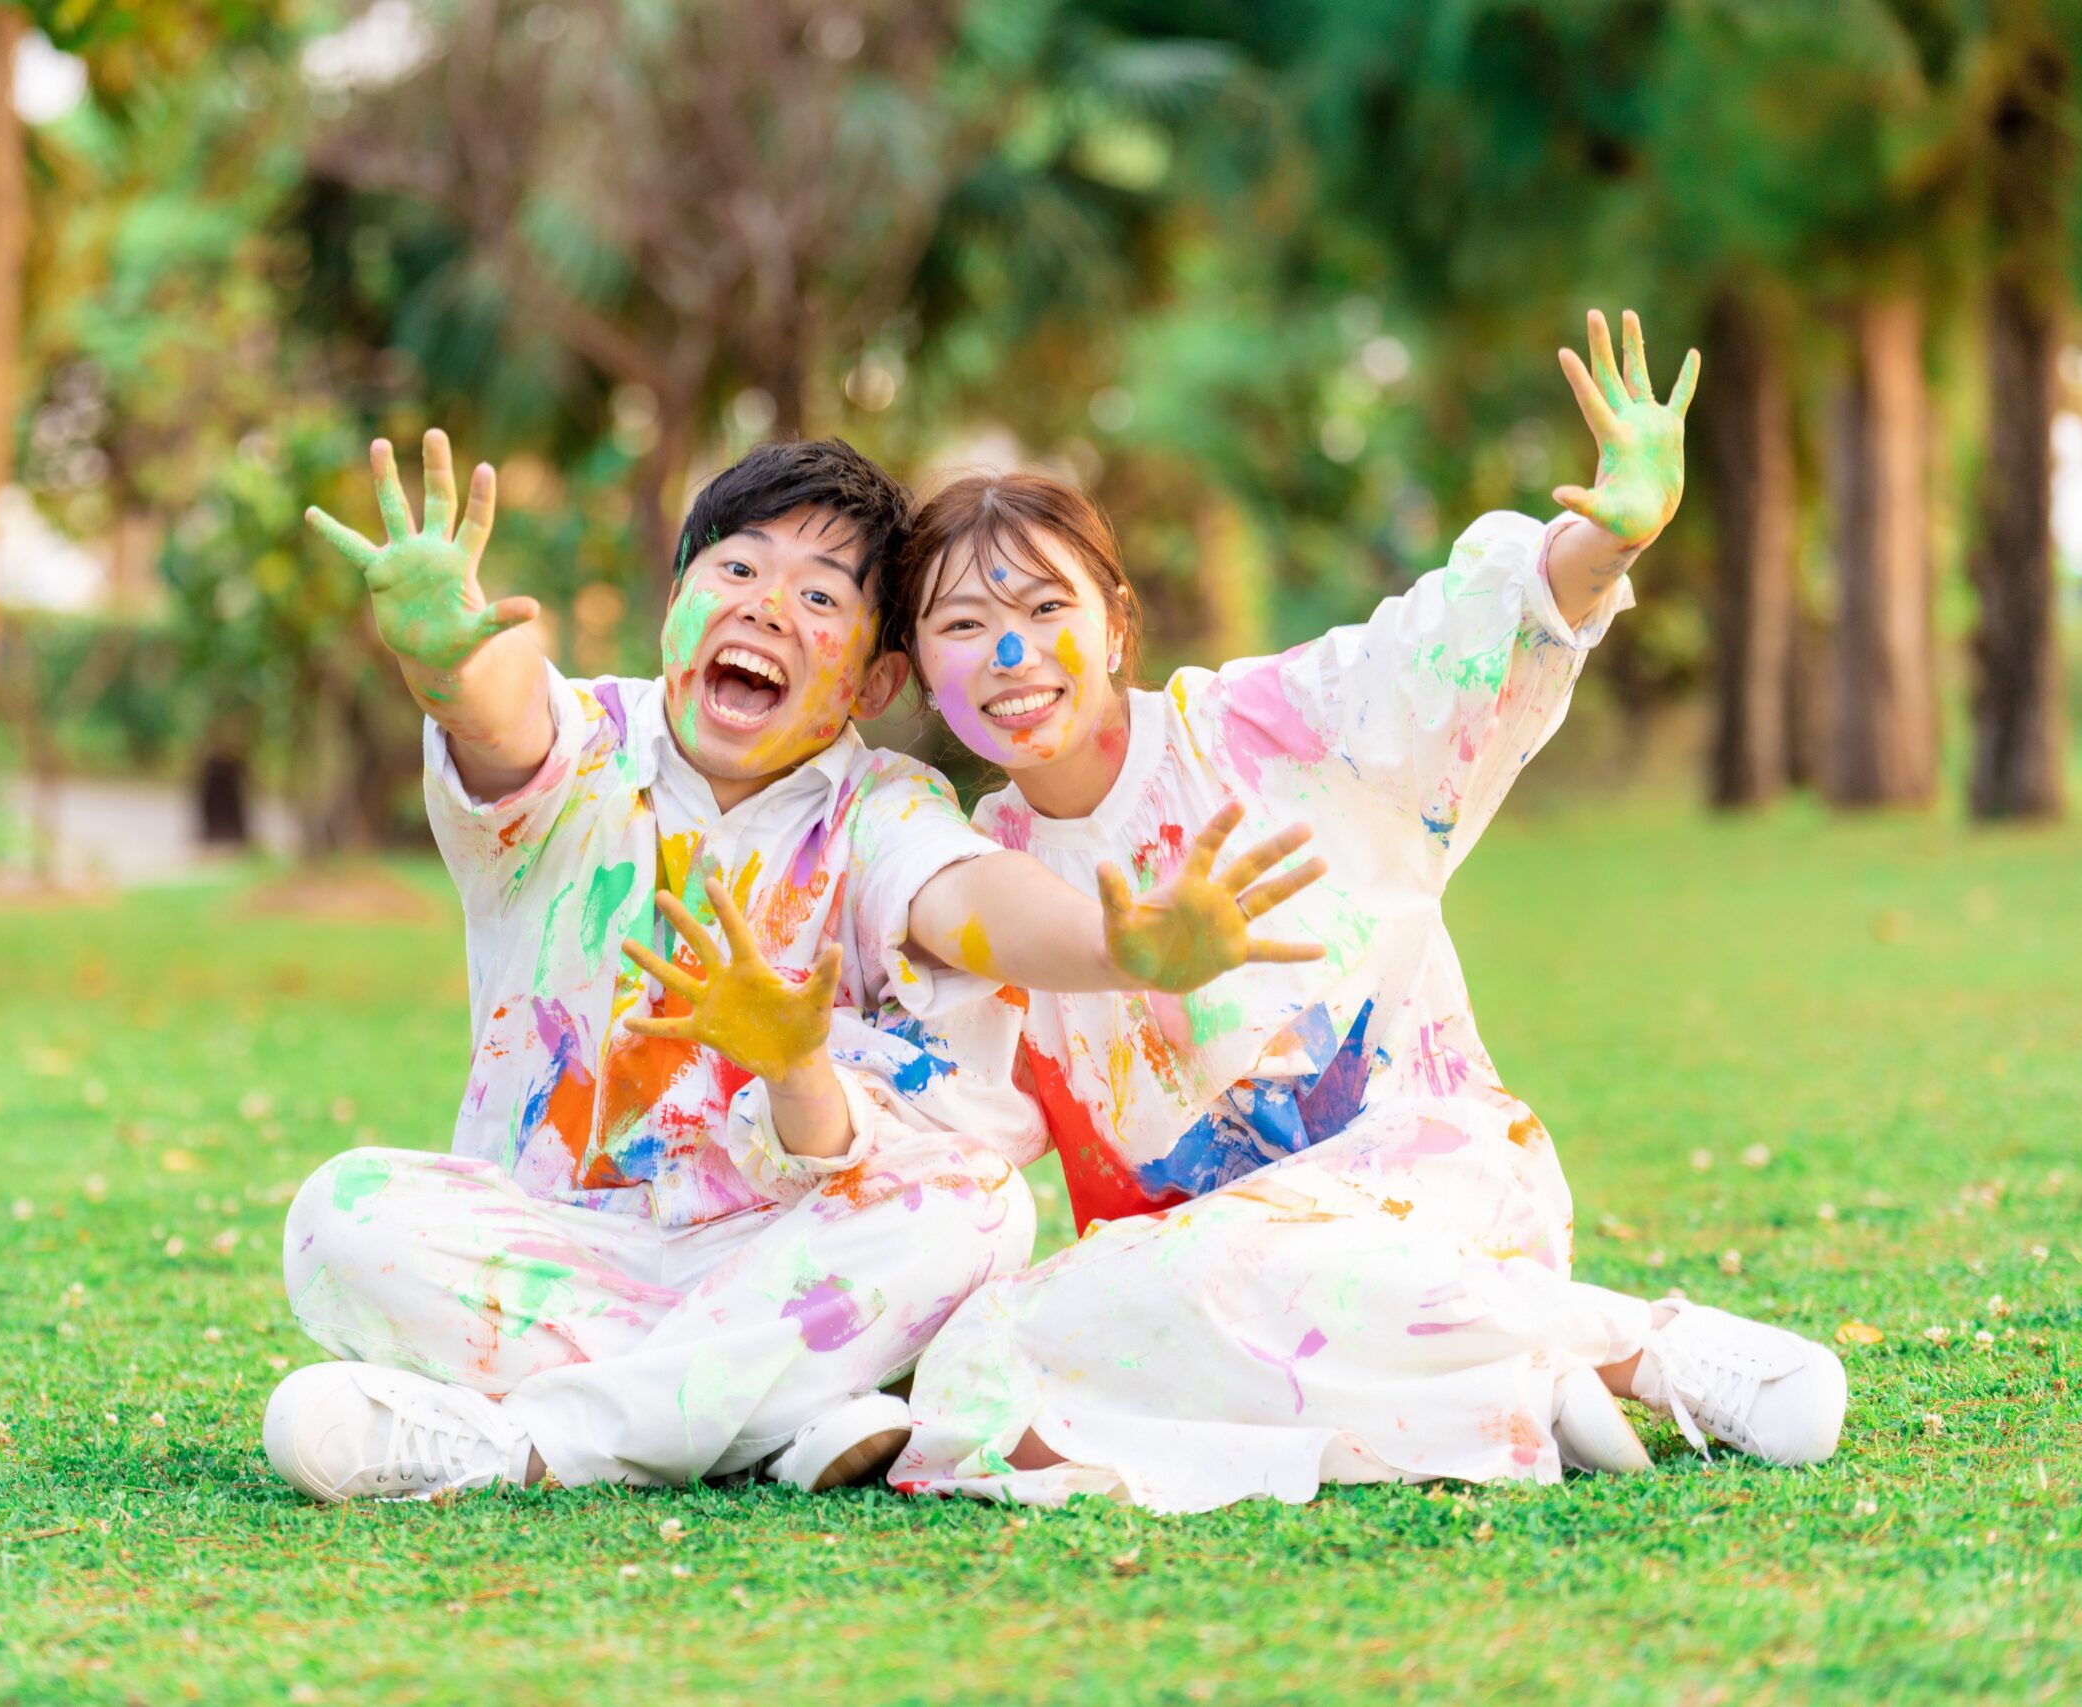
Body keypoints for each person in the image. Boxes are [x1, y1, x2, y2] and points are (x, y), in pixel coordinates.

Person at [883, 311, 1848, 1512]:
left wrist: (1606, 543)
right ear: (924, 672)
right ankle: (1517, 1387)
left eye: (1042, 611)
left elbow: (1450, 643)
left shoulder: (1265, 729)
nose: (1011, 655)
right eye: (963, 628)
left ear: (1117, 623)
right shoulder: (979, 877)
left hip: (1430, 1199)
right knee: (994, 1351)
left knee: (1215, 1267)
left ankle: (1636, 1346)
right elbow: (929, 1098)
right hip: (1205, 1281)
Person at [261, 432, 1322, 1501]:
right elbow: (500, 714)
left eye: (820, 598)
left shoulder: (882, 808)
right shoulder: (587, 746)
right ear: (675, 599)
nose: (768, 607)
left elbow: (968, 904)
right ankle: (782, 1414)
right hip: (568, 1252)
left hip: (792, 1257)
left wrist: (1114, 947)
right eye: (736, 569)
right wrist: (443, 659)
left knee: (979, 1206)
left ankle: (523, 1447)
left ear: (874, 680)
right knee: (342, 1214)